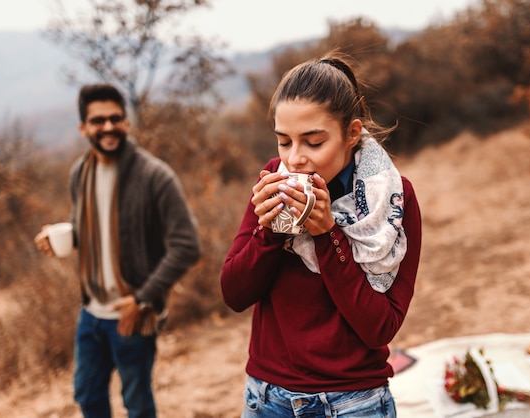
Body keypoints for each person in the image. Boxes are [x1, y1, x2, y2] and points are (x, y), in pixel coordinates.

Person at [221, 51, 422, 417]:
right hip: (268, 398)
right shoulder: (273, 179)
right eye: (284, 141)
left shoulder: (391, 200)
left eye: (313, 142)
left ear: (352, 133)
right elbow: (234, 293)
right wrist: (268, 233)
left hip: (354, 403)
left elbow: (380, 327)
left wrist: (329, 234)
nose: (295, 159)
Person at [34, 83, 201, 418]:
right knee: (87, 396)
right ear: (83, 128)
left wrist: (143, 298)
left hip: (133, 316)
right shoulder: (80, 173)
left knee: (137, 404)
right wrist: (61, 238)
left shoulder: (155, 176)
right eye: (98, 120)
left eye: (116, 118)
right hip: (90, 313)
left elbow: (187, 245)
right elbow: (87, 229)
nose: (108, 126)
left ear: (126, 123)